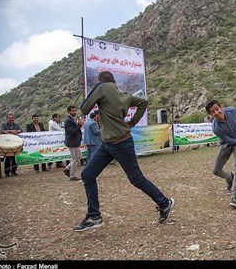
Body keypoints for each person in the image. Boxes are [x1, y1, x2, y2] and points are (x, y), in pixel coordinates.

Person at [74, 71, 174, 231]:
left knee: (136, 178)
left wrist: (98, 86)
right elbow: (143, 103)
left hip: (119, 144)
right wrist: (132, 122)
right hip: (108, 144)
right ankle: (94, 216)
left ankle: (164, 202)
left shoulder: (102, 89)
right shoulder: (124, 94)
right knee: (88, 174)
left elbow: (85, 109)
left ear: (102, 82)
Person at [63, 106, 84, 181]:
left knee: (79, 157)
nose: (74, 112)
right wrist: (80, 125)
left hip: (75, 142)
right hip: (72, 142)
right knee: (75, 159)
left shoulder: (72, 119)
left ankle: (67, 168)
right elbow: (72, 132)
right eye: (72, 111)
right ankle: (73, 175)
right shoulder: (68, 120)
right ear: (68, 112)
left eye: (75, 110)